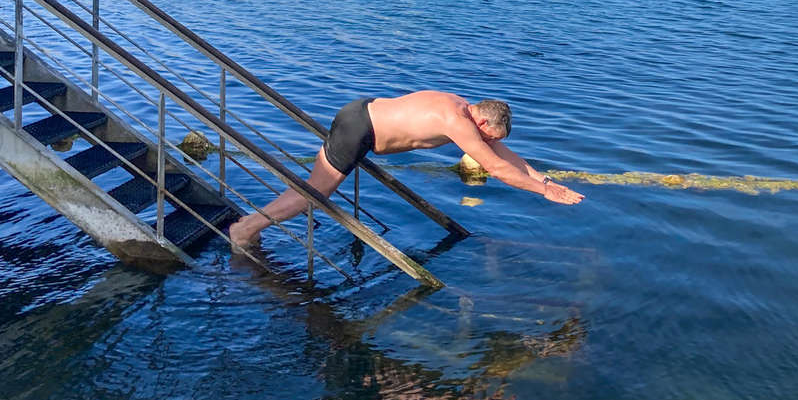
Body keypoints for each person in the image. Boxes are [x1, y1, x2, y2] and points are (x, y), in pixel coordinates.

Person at [227, 91, 585, 246]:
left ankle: (252, 225)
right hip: (360, 130)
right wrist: (543, 192)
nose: (489, 142)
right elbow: (496, 167)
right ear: (484, 123)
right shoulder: (456, 122)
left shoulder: (463, 108)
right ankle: (244, 230)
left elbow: (508, 156)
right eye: (491, 137)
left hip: (361, 112)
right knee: (311, 195)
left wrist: (545, 178)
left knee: (310, 191)